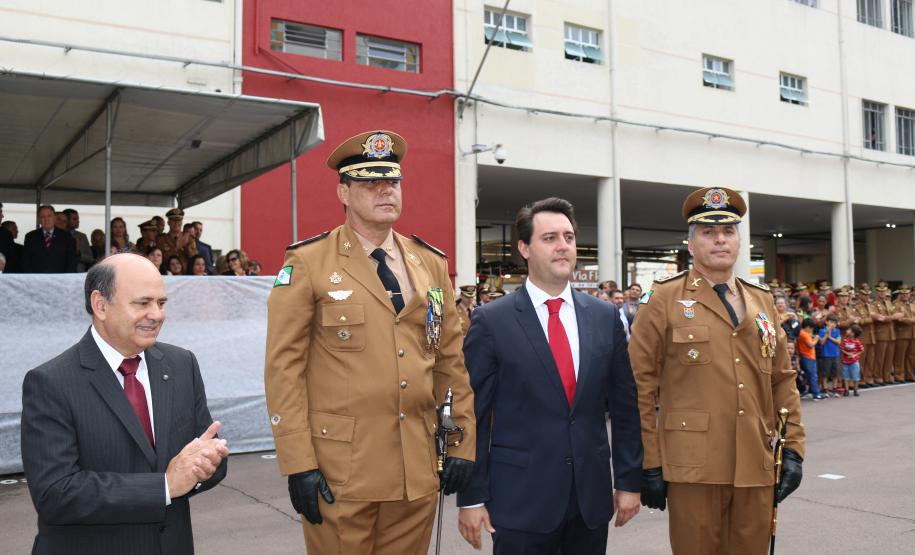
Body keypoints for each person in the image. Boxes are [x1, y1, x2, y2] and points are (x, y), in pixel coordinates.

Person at [263, 130, 476, 554]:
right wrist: (298, 462)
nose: (385, 191)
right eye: (369, 182)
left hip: (415, 468)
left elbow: (449, 360)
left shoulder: (430, 265)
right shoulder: (309, 262)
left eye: (392, 182)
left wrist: (462, 442)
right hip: (340, 470)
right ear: (343, 191)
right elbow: (283, 370)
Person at [457, 197, 642, 554]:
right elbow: (474, 415)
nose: (563, 246)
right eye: (550, 238)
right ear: (524, 248)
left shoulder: (604, 318)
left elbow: (624, 407)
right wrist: (471, 496)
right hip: (519, 502)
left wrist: (629, 481)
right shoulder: (492, 321)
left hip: (588, 502)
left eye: (569, 237)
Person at [629, 187, 805, 554]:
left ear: (739, 241)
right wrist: (648, 462)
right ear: (691, 245)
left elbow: (782, 378)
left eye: (728, 232)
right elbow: (640, 385)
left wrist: (793, 449)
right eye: (708, 233)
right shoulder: (663, 298)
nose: (720, 240)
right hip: (693, 465)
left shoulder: (762, 300)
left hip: (756, 461)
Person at [20, 253, 229, 554]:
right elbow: (56, 494)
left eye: (161, 303)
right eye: (142, 303)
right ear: (100, 305)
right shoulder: (50, 383)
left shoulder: (182, 364)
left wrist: (207, 464)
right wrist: (165, 486)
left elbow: (201, 450)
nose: (157, 314)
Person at [21, 205, 77, 273]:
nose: (46, 219)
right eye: (42, 217)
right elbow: (25, 261)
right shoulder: (30, 236)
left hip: (60, 279)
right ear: (39, 220)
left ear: (54, 217)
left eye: (49, 216)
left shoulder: (66, 236)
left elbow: (72, 261)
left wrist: (65, 278)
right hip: (36, 279)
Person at [798, 318, 826, 400]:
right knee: (813, 376)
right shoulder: (805, 334)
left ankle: (811, 391)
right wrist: (816, 339)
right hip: (809, 357)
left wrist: (813, 336)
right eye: (811, 328)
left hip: (804, 356)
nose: (812, 330)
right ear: (808, 327)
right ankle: (816, 394)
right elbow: (811, 344)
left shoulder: (801, 333)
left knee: (809, 376)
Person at [892, 287, 914, 383]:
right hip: (902, 333)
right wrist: (911, 320)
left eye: (907, 293)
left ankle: (910, 374)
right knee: (900, 356)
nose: (905, 295)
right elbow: (898, 319)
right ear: (900, 294)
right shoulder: (896, 305)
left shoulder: (912, 304)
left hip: (912, 333)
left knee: (911, 355)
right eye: (903, 294)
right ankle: (899, 375)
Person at [818, 314, 843, 397]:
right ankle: (825, 389)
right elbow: (821, 342)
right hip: (826, 355)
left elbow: (839, 341)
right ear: (826, 322)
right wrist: (826, 334)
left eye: (834, 323)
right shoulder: (822, 331)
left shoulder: (837, 331)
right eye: (831, 322)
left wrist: (830, 337)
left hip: (835, 354)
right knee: (825, 373)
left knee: (835, 373)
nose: (832, 324)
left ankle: (834, 388)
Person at [841, 324, 864, 397]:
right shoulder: (845, 340)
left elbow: (861, 350)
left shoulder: (857, 342)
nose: (847, 331)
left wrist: (855, 355)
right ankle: (846, 390)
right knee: (845, 376)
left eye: (849, 330)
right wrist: (846, 353)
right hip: (845, 361)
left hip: (854, 362)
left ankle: (855, 389)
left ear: (853, 333)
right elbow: (842, 348)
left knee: (855, 376)